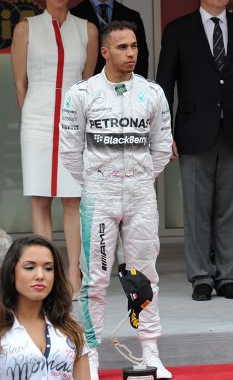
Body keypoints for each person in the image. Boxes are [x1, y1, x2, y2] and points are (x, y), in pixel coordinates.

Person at [60, 21, 173, 380]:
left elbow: (161, 147)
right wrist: (99, 181)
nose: (131, 54)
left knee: (144, 276)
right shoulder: (82, 93)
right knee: (95, 280)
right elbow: (70, 151)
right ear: (105, 52)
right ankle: (90, 354)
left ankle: (151, 351)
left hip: (141, 193)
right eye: (122, 47)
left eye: (134, 47)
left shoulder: (153, 92)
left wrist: (137, 178)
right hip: (99, 195)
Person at [157, 0, 233, 302]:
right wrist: (163, 131)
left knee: (232, 210)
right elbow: (164, 84)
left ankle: (228, 275)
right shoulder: (178, 30)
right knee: (197, 210)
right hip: (193, 131)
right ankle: (201, 276)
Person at [10, 0, 98, 296]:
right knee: (41, 199)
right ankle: (46, 275)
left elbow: (88, 81)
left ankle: (74, 274)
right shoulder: (25, 28)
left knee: (73, 199)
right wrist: (35, 114)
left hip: (74, 121)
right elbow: (20, 83)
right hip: (37, 119)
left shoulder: (87, 29)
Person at [0, 235, 89, 379]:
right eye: (30, 267)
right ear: (11, 272)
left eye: (48, 268)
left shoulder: (72, 329)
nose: (40, 275)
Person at [72, 0, 150, 78]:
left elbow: (141, 62)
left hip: (125, 91)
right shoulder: (75, 16)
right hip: (89, 92)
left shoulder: (132, 17)